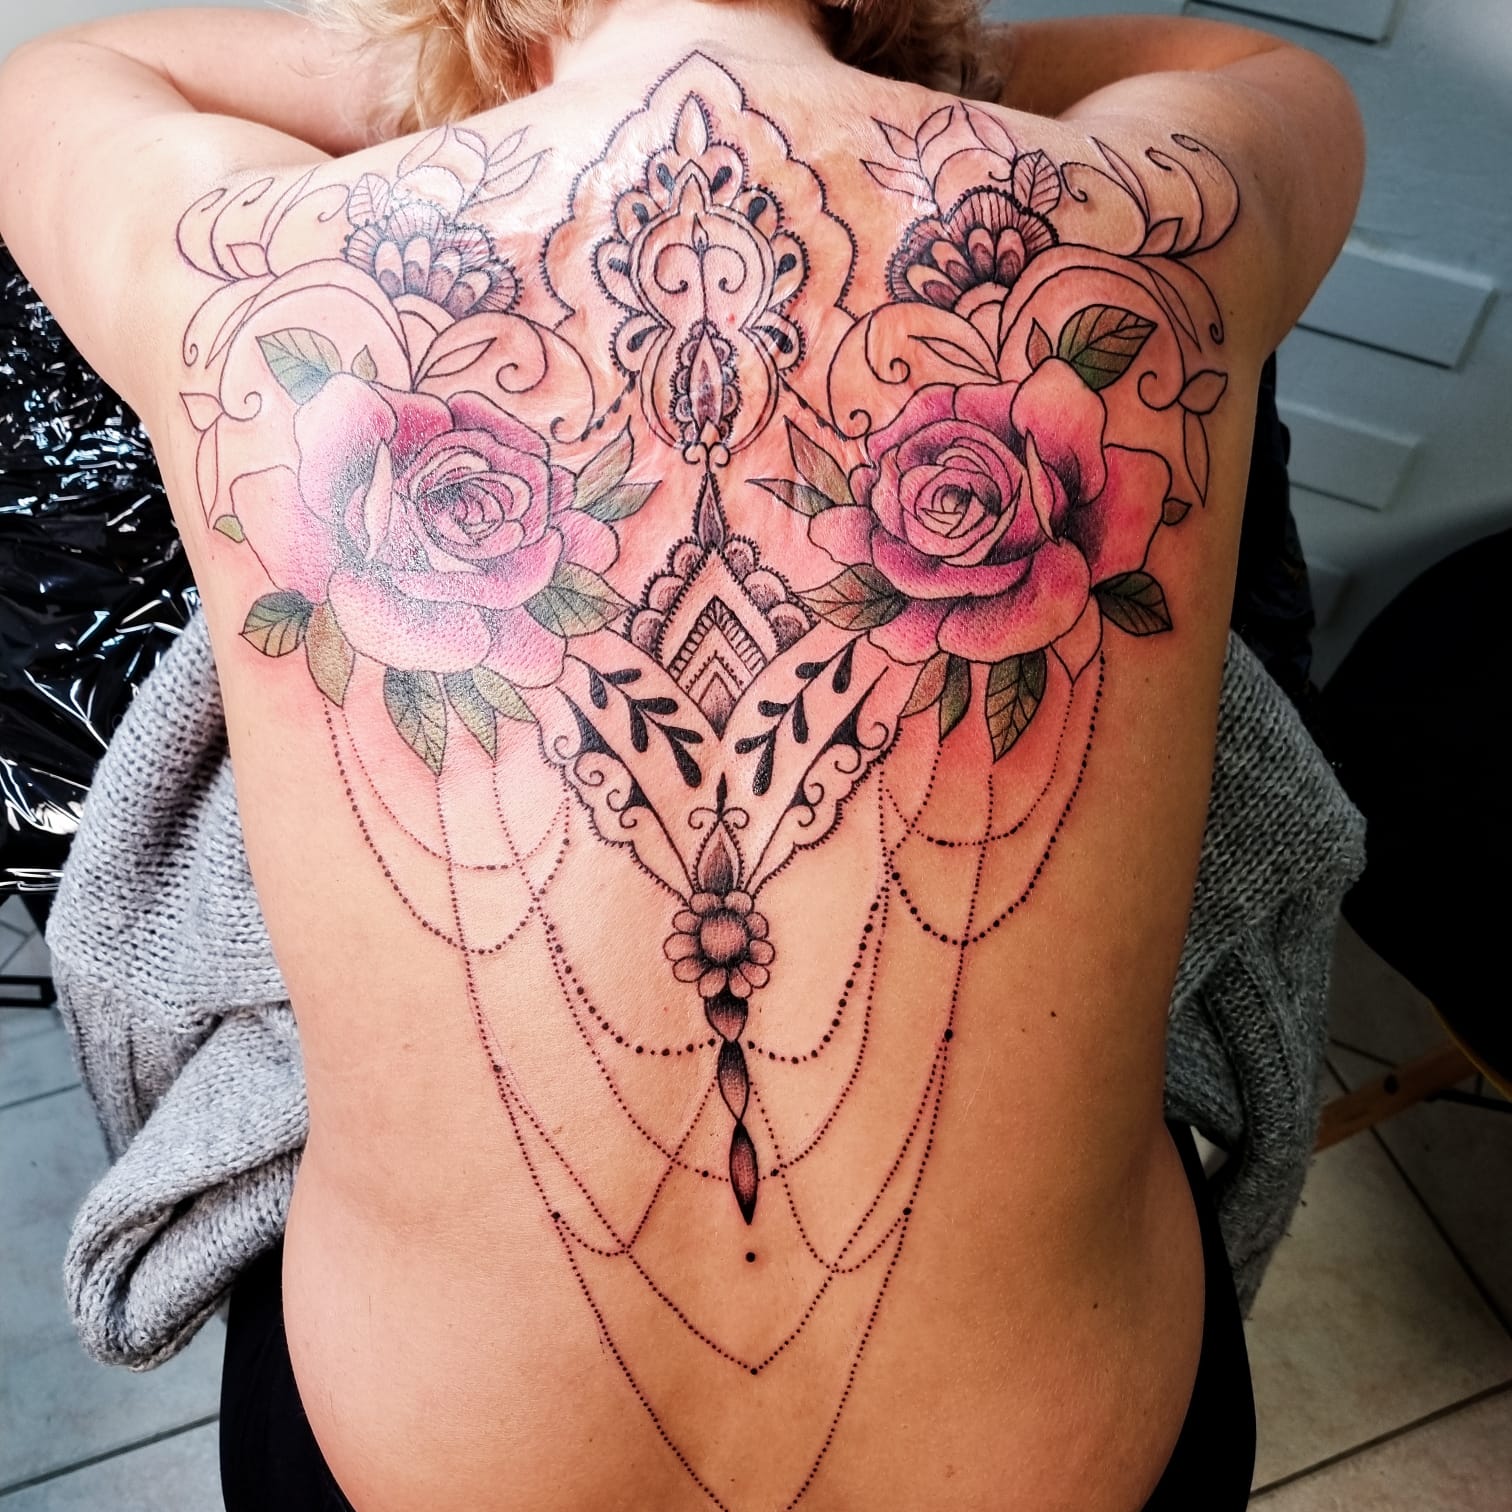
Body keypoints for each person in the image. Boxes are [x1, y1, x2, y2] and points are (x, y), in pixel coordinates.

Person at [0, 4, 1362, 1509]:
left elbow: (53, 78)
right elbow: (1261, 69)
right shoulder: (1156, 226)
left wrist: (462, 54)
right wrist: (903, 60)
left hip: (427, 1460)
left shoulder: (249, 266)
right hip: (1072, 1450)